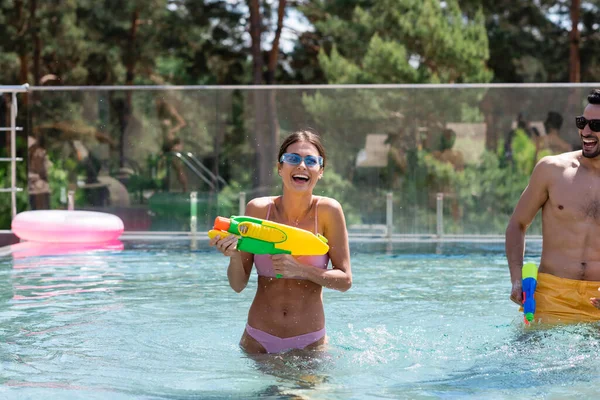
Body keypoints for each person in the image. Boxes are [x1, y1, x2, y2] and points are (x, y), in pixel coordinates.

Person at [210, 130, 352, 354]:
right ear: (279, 168)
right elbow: (238, 285)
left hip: (309, 344)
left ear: (320, 171)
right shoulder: (258, 210)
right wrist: (234, 255)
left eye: (311, 161)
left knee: (302, 392)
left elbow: (345, 280)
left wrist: (300, 270)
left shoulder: (327, 211)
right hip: (257, 341)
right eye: (292, 159)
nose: (302, 166)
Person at [506, 89, 600, 324]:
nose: (586, 131)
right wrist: (517, 280)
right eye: (582, 122)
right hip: (551, 298)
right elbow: (518, 223)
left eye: (595, 125)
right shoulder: (552, 170)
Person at [27, 135, 52, 210]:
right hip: (36, 190)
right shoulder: (37, 154)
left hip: (40, 189)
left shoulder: (40, 153)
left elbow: (46, 167)